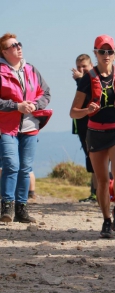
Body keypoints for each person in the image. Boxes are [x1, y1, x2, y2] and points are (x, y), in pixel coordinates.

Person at [70, 34, 115, 238]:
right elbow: (73, 112)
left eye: (110, 51)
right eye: (102, 51)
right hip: (96, 132)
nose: (106, 55)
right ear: (95, 54)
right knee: (101, 180)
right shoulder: (87, 80)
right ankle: (106, 219)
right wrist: (86, 111)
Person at [0, 33, 51, 223]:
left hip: (30, 126)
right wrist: (16, 106)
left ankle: (22, 209)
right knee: (11, 165)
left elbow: (46, 92)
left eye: (19, 44)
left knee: (25, 168)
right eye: (13, 46)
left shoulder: (31, 69)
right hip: (6, 127)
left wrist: (36, 105)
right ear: (4, 52)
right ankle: (7, 206)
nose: (18, 47)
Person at [71, 54, 98, 202]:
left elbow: (90, 96)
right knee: (90, 158)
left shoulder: (93, 79)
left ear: (91, 66)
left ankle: (97, 193)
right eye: (79, 67)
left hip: (92, 124)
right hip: (82, 125)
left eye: (84, 67)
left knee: (95, 158)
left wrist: (79, 80)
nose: (81, 70)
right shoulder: (83, 81)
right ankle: (94, 192)